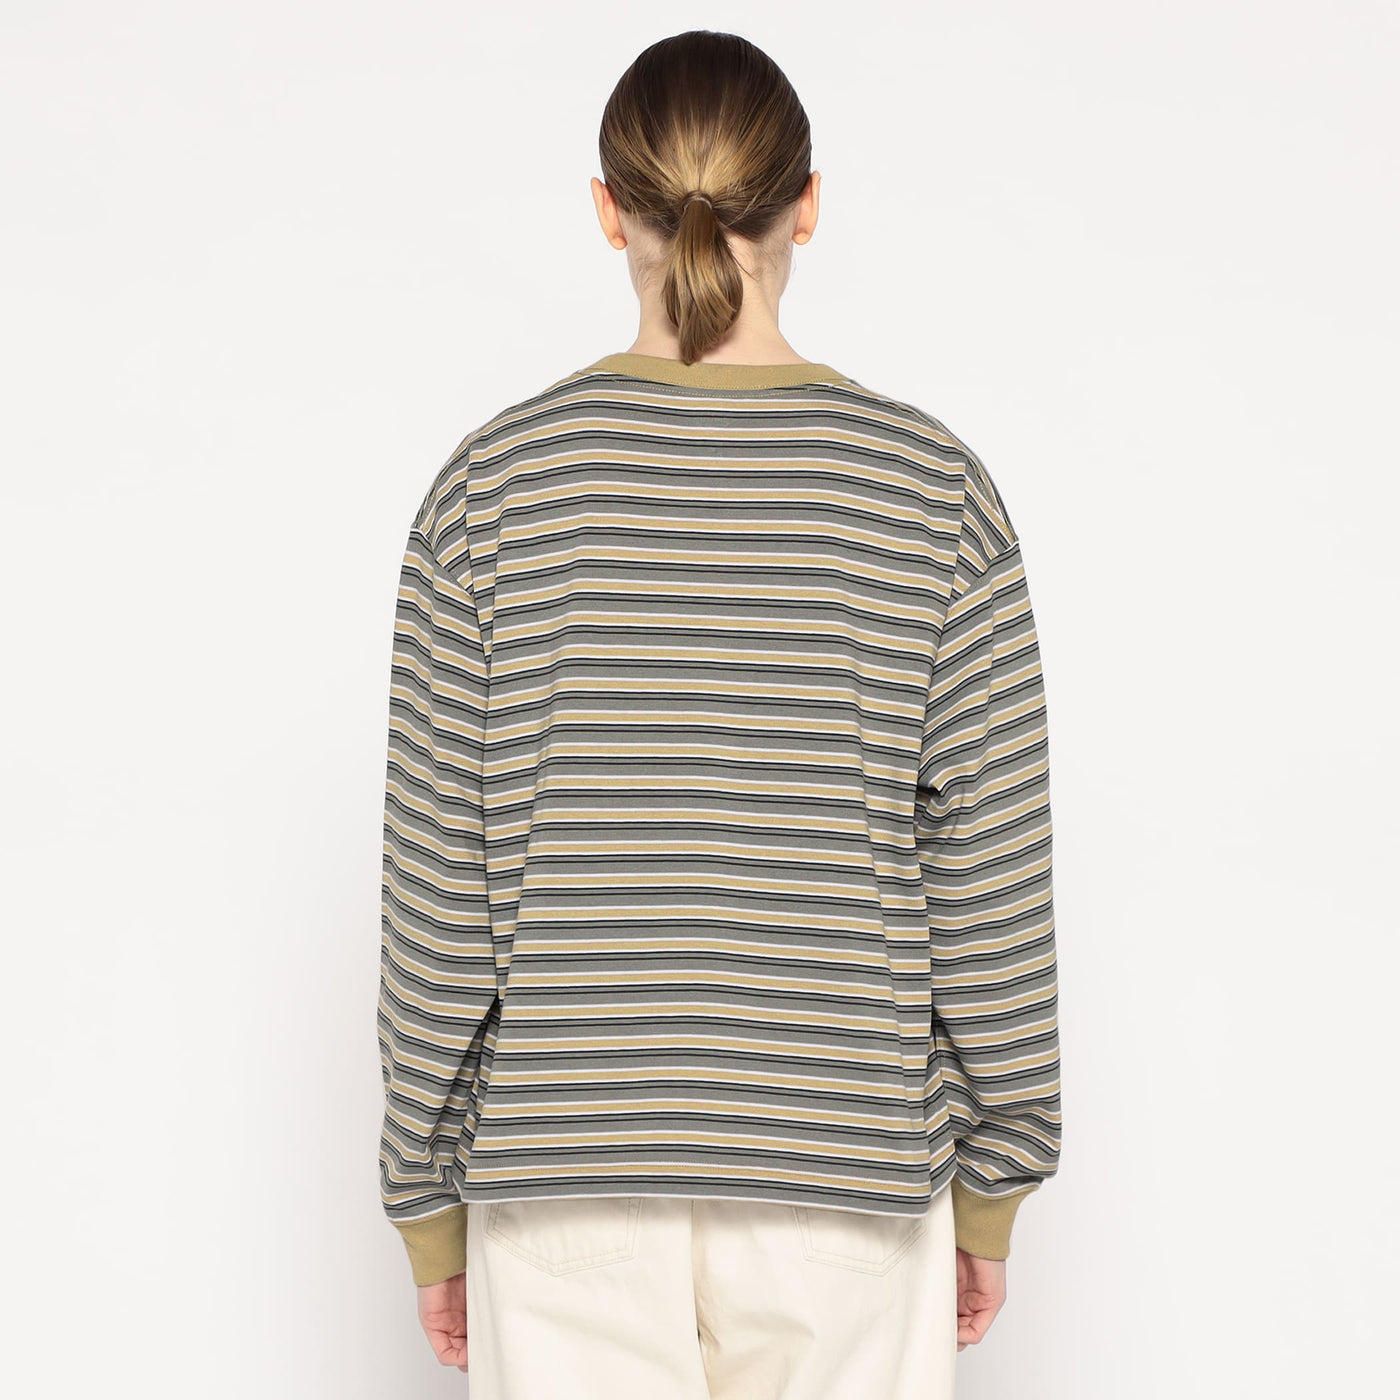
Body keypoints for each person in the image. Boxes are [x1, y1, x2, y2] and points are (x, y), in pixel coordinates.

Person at [376, 28, 1062, 1399]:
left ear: (606, 210)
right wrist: (995, 1184)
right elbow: (992, 883)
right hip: (845, 1176)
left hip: (565, 1182)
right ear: (806, 204)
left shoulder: (491, 492)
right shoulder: (930, 492)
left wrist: (427, 1204)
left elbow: (436, 897)